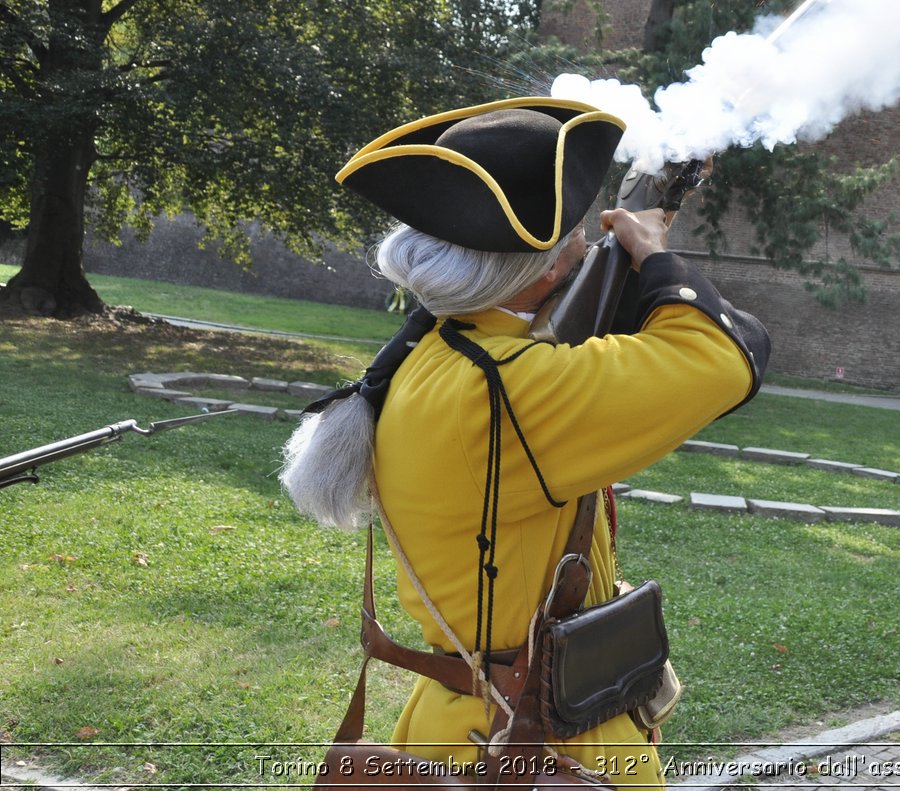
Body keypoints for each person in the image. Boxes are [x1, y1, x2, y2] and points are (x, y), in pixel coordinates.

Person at [280, 96, 771, 786]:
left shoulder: (440, 354)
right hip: (544, 751)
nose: (585, 246)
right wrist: (654, 257)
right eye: (578, 236)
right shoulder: (517, 389)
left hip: (460, 725)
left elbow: (582, 348)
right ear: (544, 270)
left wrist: (621, 278)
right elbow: (729, 356)